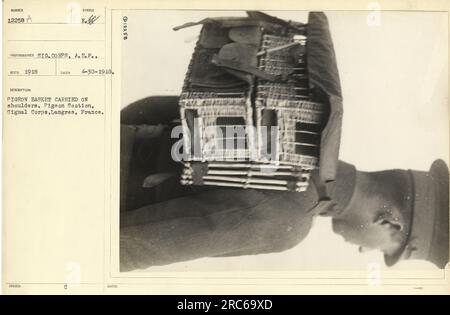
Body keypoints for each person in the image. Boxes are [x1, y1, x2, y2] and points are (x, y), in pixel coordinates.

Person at [120, 96, 449, 272]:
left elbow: (152, 107)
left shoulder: (304, 127)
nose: (366, 250)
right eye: (388, 251)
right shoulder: (289, 221)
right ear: (390, 222)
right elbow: (128, 247)